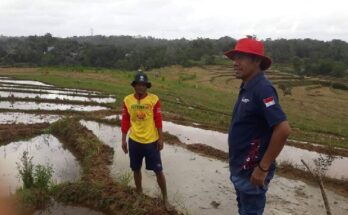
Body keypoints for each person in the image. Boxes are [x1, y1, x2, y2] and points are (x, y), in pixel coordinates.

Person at [224, 37, 291, 214]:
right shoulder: (248, 85)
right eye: (235, 58)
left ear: (257, 61)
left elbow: (283, 129)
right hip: (241, 169)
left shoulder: (263, 89)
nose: (235, 63)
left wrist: (262, 168)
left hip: (252, 173)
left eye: (241, 58)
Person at [121, 71, 169, 208]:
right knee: (136, 169)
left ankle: (165, 198)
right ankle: (139, 194)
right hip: (134, 141)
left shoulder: (154, 99)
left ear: (146, 86)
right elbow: (125, 121)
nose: (140, 87)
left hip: (151, 142)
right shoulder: (127, 100)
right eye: (138, 85)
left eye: (143, 85)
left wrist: (161, 138)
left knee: (158, 171)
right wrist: (123, 140)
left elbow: (158, 120)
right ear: (134, 86)